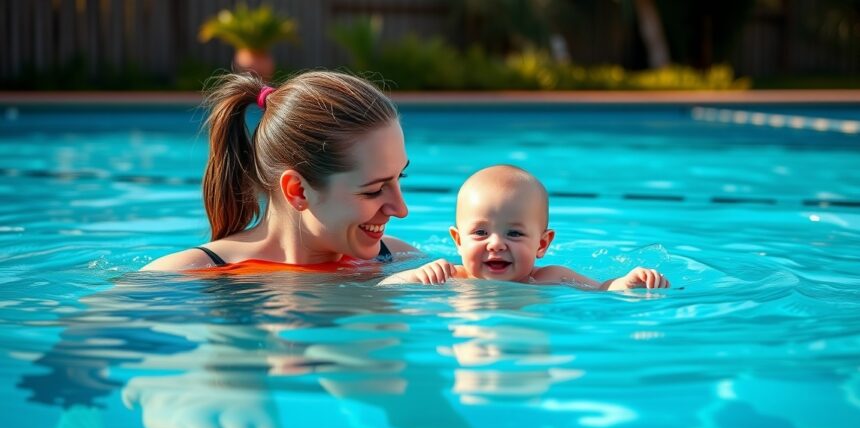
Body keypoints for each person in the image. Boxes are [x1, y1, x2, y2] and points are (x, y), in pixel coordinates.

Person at [142, 71, 413, 271]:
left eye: (399, 177)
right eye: (374, 189)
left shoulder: (401, 260)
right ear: (298, 191)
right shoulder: (187, 276)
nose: (401, 210)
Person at [381, 165, 671, 290]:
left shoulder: (550, 278)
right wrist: (411, 278)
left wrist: (628, 282)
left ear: (542, 244)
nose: (496, 244)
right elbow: (381, 291)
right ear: (458, 240)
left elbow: (603, 290)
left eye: (515, 233)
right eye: (480, 233)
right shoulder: (448, 279)